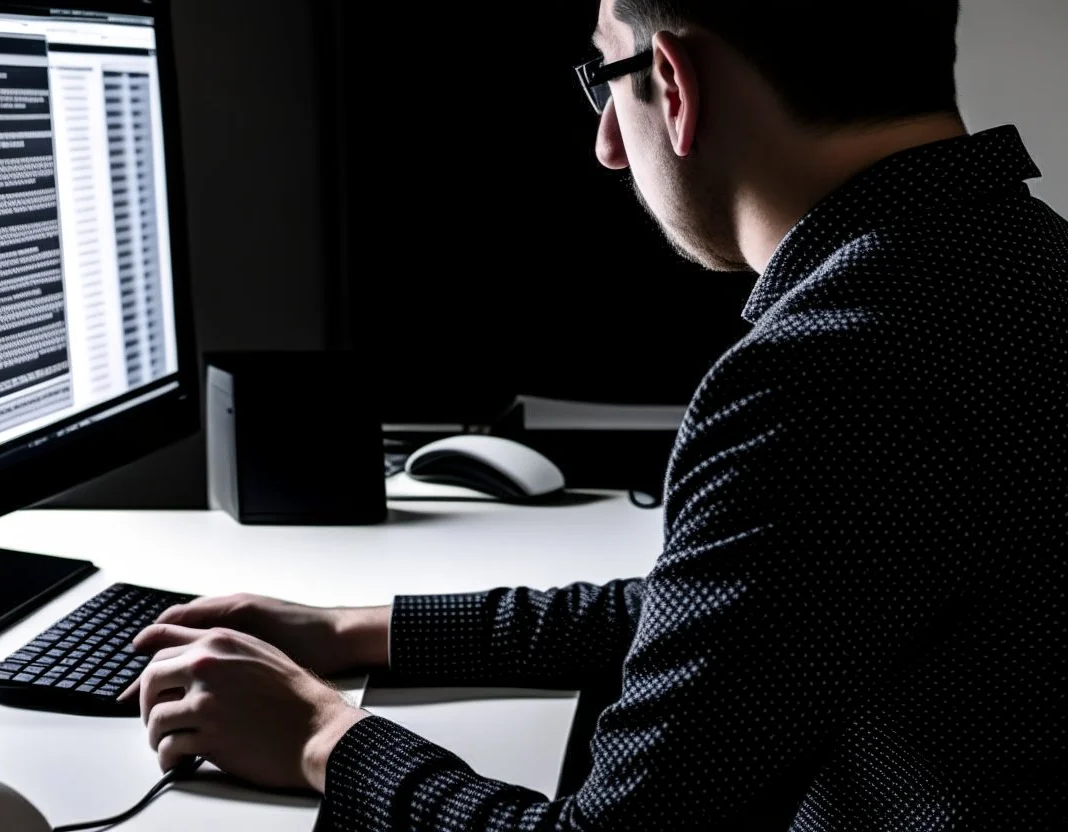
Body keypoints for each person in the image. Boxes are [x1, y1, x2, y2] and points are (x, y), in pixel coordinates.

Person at [121, 0, 1065, 828]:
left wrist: (323, 740)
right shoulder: (1018, 263)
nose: (608, 143)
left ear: (674, 81)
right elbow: (735, 613)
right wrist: (357, 631)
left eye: (606, 77)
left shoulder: (826, 369)